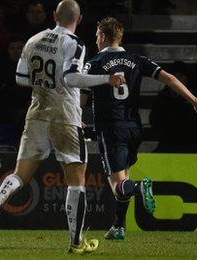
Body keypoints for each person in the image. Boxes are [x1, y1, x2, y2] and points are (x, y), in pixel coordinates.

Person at [0, 0, 126, 254]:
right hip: (64, 115)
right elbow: (71, 78)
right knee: (76, 182)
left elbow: (21, 79)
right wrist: (106, 79)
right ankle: (76, 242)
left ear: (54, 15)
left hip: (37, 112)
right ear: (79, 18)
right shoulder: (75, 43)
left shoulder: (33, 40)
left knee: (20, 174)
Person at [82, 17, 197, 240]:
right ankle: (119, 226)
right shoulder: (137, 59)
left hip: (110, 128)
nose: (96, 40)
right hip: (134, 128)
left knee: (119, 185)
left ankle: (140, 188)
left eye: (97, 36)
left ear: (104, 36)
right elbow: (170, 78)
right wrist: (193, 99)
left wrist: (76, 116)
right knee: (125, 177)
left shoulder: (94, 62)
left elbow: (82, 100)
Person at [149, 61, 197, 153]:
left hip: (190, 142)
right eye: (175, 77)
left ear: (186, 79)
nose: (178, 81)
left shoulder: (193, 97)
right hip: (168, 142)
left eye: (180, 77)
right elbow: (154, 120)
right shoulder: (162, 97)